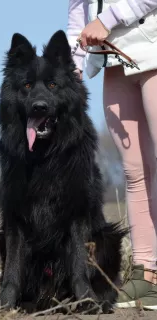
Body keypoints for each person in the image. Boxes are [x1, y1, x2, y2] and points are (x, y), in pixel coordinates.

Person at [67, 0, 157, 311]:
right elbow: (78, 13)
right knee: (136, 172)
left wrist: (107, 19)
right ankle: (146, 273)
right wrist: (72, 67)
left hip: (152, 49)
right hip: (114, 61)